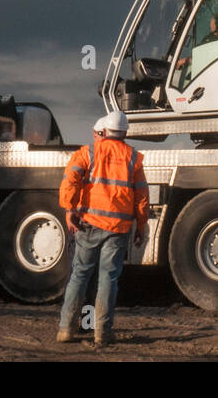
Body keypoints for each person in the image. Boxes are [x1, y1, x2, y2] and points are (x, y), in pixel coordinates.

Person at [57, 110, 149, 346]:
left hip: (89, 223)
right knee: (108, 279)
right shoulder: (133, 158)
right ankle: (102, 333)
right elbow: (141, 197)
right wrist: (141, 225)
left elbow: (70, 179)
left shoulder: (88, 152)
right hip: (118, 228)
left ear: (105, 131)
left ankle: (66, 330)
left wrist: (70, 209)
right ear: (125, 132)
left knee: (79, 275)